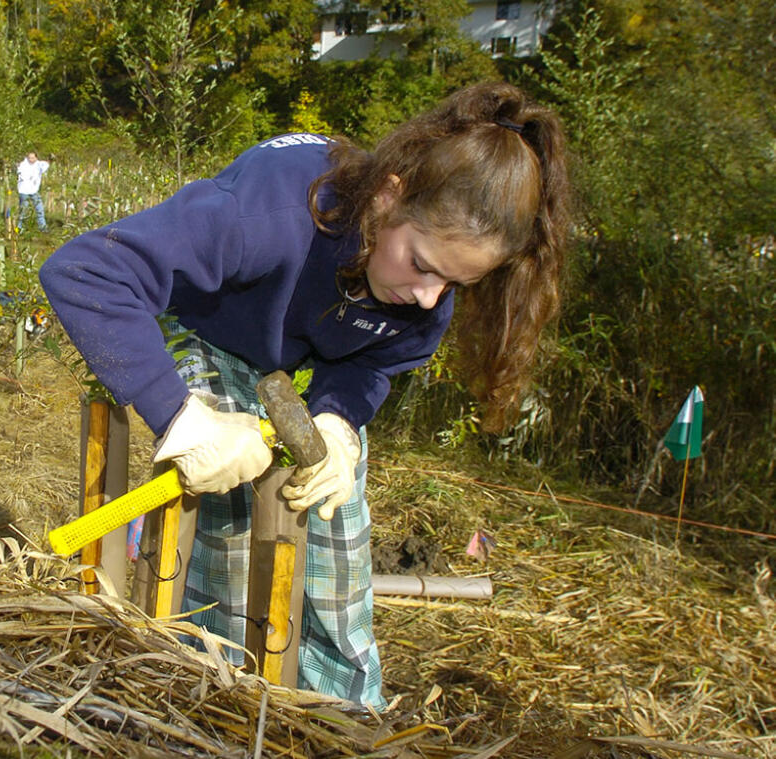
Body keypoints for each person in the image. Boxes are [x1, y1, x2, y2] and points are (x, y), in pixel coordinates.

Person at [38, 82, 570, 710]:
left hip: (292, 364)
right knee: (234, 549)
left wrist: (342, 421)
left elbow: (379, 355)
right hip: (209, 330)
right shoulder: (268, 212)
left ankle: (346, 720)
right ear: (387, 197)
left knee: (335, 547)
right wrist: (182, 418)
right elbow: (85, 270)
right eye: (423, 265)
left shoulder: (422, 286)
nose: (431, 297)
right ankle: (220, 708)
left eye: (456, 283)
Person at [16, 151, 50, 233]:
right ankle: (19, 228)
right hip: (24, 191)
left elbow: (46, 165)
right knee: (24, 210)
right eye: (29, 158)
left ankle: (43, 228)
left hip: (34, 191)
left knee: (39, 209)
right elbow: (19, 171)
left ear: (36, 158)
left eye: (33, 158)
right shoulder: (23, 165)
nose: (31, 159)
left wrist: (50, 159)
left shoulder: (39, 165)